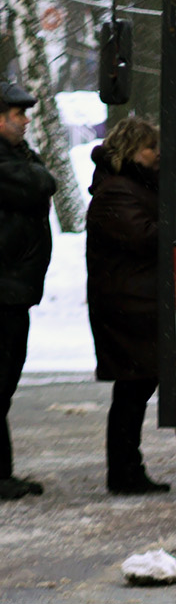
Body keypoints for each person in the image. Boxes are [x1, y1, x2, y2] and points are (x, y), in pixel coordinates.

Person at [86, 117, 169, 494]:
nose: (157, 154)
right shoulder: (117, 192)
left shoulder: (131, 187)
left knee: (134, 390)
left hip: (134, 303)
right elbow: (146, 238)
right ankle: (123, 472)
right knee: (132, 391)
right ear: (132, 149)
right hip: (127, 307)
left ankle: (127, 470)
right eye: (151, 147)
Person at [0, 81, 57, 499]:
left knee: (3, 384)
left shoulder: (16, 157)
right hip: (4, 290)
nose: (25, 120)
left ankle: (3, 474)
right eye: (17, 114)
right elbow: (40, 183)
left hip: (13, 291)